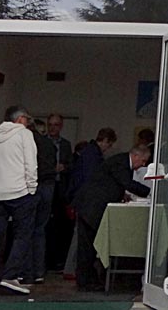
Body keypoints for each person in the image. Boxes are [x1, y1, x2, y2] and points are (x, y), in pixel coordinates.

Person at [72, 145, 152, 292]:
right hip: (91, 207)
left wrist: (121, 194)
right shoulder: (121, 163)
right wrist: (151, 192)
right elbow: (127, 183)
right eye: (143, 161)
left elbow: (114, 183)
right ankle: (85, 282)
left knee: (89, 246)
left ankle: (88, 280)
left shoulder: (120, 161)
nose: (143, 165)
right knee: (87, 247)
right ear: (135, 156)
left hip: (91, 206)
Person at [0, 105, 37, 295]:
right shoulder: (24, 135)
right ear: (20, 119)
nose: (28, 122)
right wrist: (31, 188)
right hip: (19, 192)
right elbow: (31, 164)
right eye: (26, 119)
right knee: (22, 235)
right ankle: (10, 276)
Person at [63, 127, 116, 280]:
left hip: (79, 197)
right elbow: (90, 179)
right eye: (109, 144)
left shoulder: (89, 152)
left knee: (79, 235)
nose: (108, 148)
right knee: (79, 237)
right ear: (105, 141)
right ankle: (71, 268)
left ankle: (72, 268)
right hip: (84, 199)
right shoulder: (93, 155)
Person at [28, 119, 57, 284]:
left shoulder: (28, 142)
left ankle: (24, 271)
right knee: (40, 230)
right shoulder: (49, 144)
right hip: (48, 186)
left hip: (33, 186)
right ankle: (38, 270)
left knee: (25, 229)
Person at [45, 113, 73, 271]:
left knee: (59, 225)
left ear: (61, 126)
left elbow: (71, 165)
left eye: (56, 125)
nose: (52, 128)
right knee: (44, 224)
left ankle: (57, 260)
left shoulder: (66, 145)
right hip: (45, 185)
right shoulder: (42, 142)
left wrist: (64, 167)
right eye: (50, 124)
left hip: (60, 188)